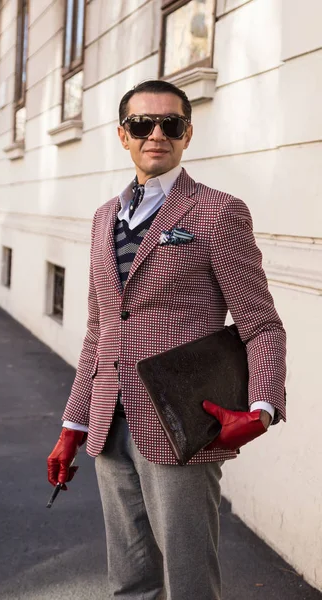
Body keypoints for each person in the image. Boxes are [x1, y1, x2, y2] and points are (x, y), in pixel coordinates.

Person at [47, 80, 286, 600]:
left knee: (189, 584)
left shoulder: (218, 212)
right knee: (130, 582)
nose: (156, 134)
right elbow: (100, 328)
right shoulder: (103, 217)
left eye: (170, 124)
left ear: (187, 134)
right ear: (122, 135)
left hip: (180, 425)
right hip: (110, 426)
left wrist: (262, 408)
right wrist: (73, 422)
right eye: (142, 124)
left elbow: (261, 323)